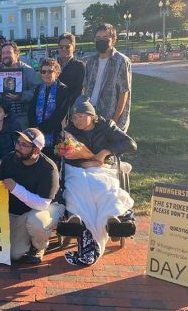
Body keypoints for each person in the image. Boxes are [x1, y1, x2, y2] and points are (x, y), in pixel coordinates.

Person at [61, 96, 137, 266]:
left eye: (80, 116)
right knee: (76, 188)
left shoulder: (106, 126)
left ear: (91, 115)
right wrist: (85, 161)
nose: (76, 120)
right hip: (79, 170)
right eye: (74, 117)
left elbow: (130, 144)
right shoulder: (71, 131)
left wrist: (105, 152)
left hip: (103, 169)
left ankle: (112, 220)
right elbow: (68, 156)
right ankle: (76, 218)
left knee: (106, 188)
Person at [0, 128, 64, 264]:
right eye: (18, 142)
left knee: (36, 221)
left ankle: (39, 247)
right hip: (17, 213)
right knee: (14, 254)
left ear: (36, 150)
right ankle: (27, 237)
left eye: (24, 145)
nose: (18, 147)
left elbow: (42, 204)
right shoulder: (10, 158)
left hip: (47, 208)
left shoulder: (48, 168)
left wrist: (15, 188)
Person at [83, 23, 132, 132]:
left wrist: (114, 120)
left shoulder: (121, 61)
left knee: (106, 148)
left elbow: (124, 92)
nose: (101, 40)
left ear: (114, 40)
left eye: (105, 37)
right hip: (91, 113)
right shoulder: (90, 61)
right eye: (98, 38)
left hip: (110, 115)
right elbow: (85, 88)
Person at [0, 41, 41, 128]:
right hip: (0, 119)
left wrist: (21, 96)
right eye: (3, 53)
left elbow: (37, 91)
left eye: (9, 53)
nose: (5, 55)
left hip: (22, 117)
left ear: (17, 54)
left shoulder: (28, 71)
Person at [28, 58, 72, 162]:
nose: (46, 74)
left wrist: (42, 128)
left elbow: (60, 114)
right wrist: (34, 127)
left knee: (52, 163)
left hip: (54, 134)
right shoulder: (39, 88)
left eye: (50, 71)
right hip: (37, 134)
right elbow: (31, 109)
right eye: (43, 71)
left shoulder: (63, 90)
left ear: (57, 72)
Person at [56, 33, 86, 107]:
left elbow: (79, 91)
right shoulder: (52, 65)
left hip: (70, 108)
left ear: (74, 47)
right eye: (61, 47)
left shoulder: (80, 66)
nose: (63, 49)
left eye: (67, 47)